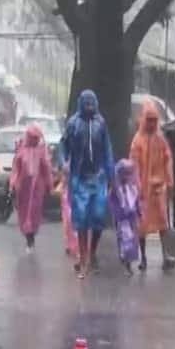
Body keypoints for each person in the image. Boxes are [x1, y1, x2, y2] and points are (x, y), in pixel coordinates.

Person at [60, 90, 114, 279]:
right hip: (80, 178)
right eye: (87, 103)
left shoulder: (101, 123)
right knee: (82, 220)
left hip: (98, 177)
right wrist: (64, 162)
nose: (90, 106)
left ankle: (92, 252)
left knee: (99, 218)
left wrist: (111, 173)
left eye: (92, 103)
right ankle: (83, 260)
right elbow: (63, 145)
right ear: (81, 103)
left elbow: (107, 149)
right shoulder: (73, 124)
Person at [130, 101, 174, 271]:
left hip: (158, 188)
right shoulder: (137, 140)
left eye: (154, 120)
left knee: (163, 222)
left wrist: (169, 181)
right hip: (142, 189)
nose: (151, 123)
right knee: (142, 225)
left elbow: (167, 159)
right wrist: (137, 185)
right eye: (149, 119)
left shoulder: (160, 139)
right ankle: (143, 258)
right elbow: (133, 165)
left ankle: (166, 256)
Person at [10, 125, 53, 253]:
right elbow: (16, 169)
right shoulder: (21, 151)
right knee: (24, 212)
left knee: (34, 212)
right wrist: (13, 184)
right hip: (23, 188)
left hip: (37, 189)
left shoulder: (41, 152)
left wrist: (49, 185)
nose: (34, 140)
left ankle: (31, 236)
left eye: (36, 138)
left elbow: (46, 169)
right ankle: (28, 236)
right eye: (32, 137)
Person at [109, 159, 141, 275]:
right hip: (121, 219)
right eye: (124, 174)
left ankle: (129, 263)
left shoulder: (132, 188)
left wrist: (139, 212)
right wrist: (117, 212)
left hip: (131, 218)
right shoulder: (116, 189)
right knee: (124, 240)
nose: (126, 176)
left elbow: (136, 201)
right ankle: (126, 264)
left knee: (132, 241)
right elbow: (112, 202)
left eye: (128, 174)